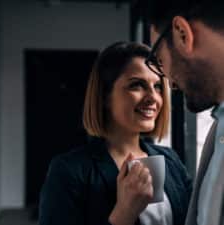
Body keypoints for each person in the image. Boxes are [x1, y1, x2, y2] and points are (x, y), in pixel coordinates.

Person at [39, 42, 192, 225]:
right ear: (105, 96)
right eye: (137, 85)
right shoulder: (69, 171)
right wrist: (124, 213)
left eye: (158, 86)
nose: (153, 97)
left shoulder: (170, 160)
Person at [143, 0, 224, 224]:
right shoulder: (218, 129)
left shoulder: (169, 162)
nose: (168, 81)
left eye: (160, 60)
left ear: (182, 34)